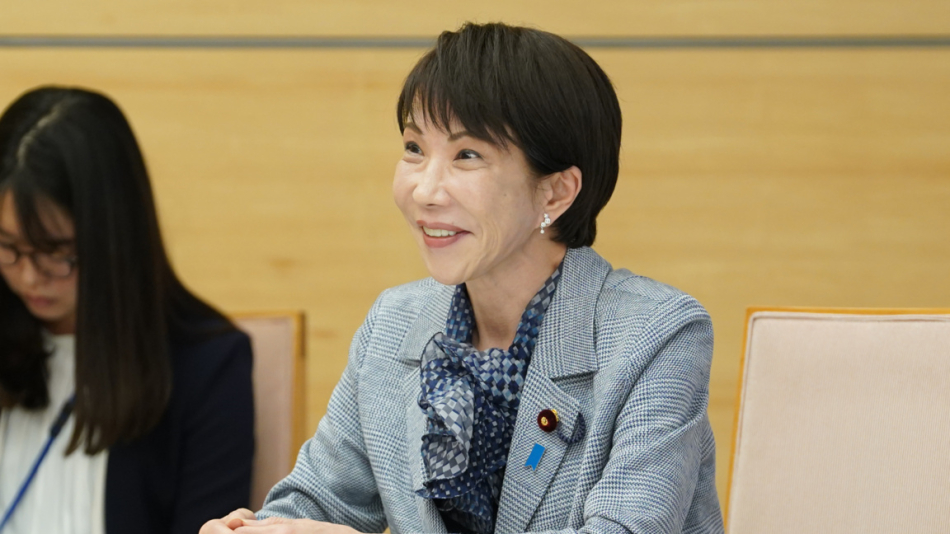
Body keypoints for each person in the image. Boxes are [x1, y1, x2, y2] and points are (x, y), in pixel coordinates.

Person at [205, 22, 722, 534]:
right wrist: (257, 530)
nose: (425, 191)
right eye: (414, 148)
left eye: (467, 156)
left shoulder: (655, 334)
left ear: (556, 192)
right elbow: (319, 501)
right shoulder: (394, 323)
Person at [0, 86, 255, 534]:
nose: (28, 277)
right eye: (8, 246)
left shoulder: (206, 366)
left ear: (113, 236)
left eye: (55, 252)